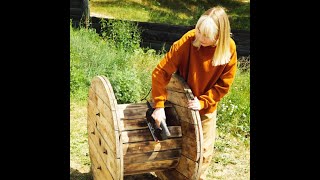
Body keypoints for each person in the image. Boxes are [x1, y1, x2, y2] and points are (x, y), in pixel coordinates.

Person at [151, 6, 237, 179]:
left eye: (206, 35)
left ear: (219, 37)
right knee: (174, 146)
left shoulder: (229, 48)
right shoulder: (188, 41)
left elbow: (223, 85)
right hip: (178, 104)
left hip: (205, 109)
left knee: (201, 155)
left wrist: (204, 102)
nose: (200, 37)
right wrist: (159, 105)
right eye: (198, 30)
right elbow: (161, 72)